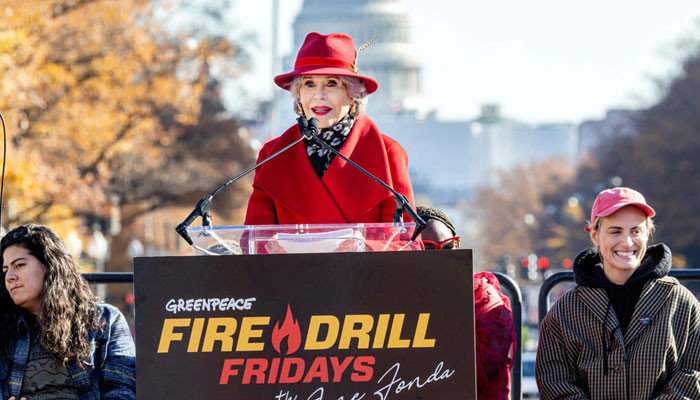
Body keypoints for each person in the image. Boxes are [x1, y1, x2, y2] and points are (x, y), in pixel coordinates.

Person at [536, 187, 700, 399]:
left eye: (636, 231)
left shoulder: (681, 303)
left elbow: (693, 375)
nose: (627, 242)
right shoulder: (565, 311)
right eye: (615, 231)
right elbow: (554, 382)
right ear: (595, 235)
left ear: (647, 234)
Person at [244, 32, 416, 225]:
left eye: (332, 83)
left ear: (353, 94)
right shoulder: (272, 154)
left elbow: (405, 235)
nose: (319, 95)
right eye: (309, 84)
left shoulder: (388, 153)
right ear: (298, 94)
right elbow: (254, 236)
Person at [0, 224, 135, 400]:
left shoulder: (105, 320)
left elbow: (123, 392)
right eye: (5, 270)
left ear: (49, 265)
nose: (9, 277)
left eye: (19, 265)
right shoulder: (4, 330)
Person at [417, 206, 517, 399]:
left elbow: (473, 370)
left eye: (449, 246)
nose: (441, 256)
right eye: (427, 248)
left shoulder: (484, 297)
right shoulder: (390, 299)